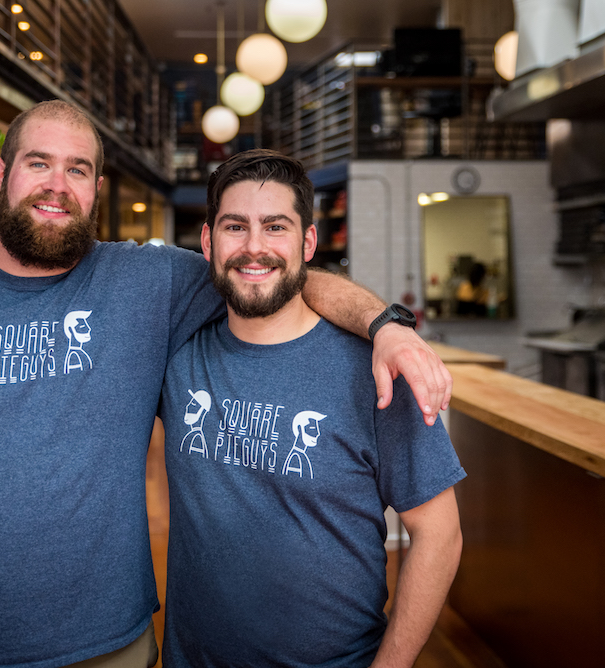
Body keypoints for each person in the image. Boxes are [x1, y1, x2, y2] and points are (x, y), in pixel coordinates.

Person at [0, 99, 452, 668]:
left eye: (78, 169)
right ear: (0, 173)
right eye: (39, 162)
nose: (57, 186)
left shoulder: (148, 285)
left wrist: (385, 326)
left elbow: (266, 271)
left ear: (97, 186)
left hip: (109, 650)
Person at [158, 149, 463, 667]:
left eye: (275, 227)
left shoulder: (377, 371)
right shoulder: (178, 354)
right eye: (235, 226)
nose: (254, 248)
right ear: (208, 241)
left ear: (308, 242)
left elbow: (440, 535)